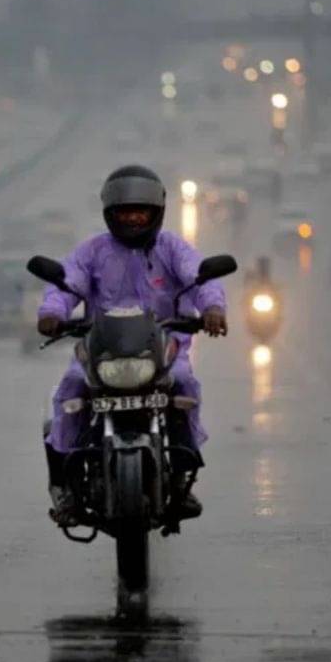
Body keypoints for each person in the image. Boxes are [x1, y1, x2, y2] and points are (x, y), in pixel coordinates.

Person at [37, 165, 228, 526]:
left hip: (163, 349)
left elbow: (199, 276)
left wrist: (213, 308)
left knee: (184, 387)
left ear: (156, 212)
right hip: (103, 350)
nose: (134, 219)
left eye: (140, 211)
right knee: (71, 391)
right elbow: (65, 284)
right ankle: (64, 486)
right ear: (111, 214)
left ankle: (182, 476)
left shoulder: (172, 247)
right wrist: (51, 313)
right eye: (126, 212)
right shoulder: (92, 251)